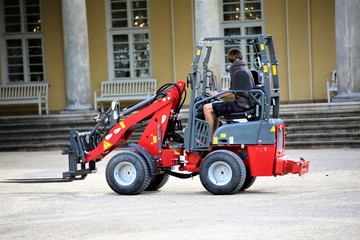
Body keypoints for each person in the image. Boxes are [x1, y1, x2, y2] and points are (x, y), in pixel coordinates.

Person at [203, 48, 255, 139]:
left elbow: (232, 92)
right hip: (245, 103)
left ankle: (208, 140)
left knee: (206, 108)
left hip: (240, 105)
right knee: (215, 110)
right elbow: (236, 90)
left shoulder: (235, 68)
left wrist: (217, 94)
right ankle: (214, 137)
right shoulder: (244, 67)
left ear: (230, 57)